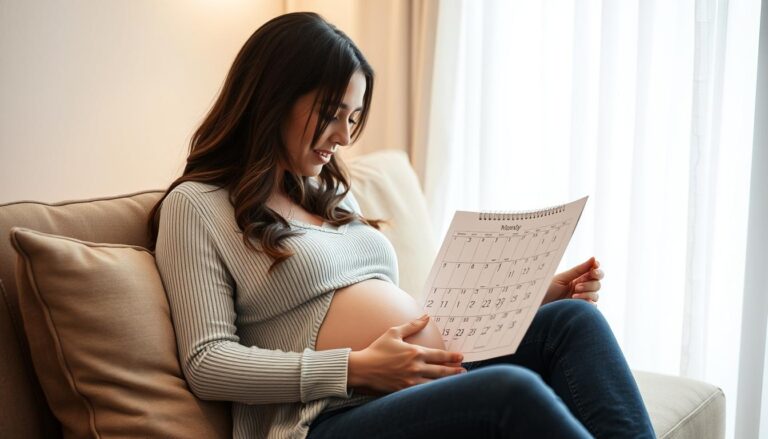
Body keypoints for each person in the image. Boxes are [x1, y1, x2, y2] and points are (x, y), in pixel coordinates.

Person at [149, 11, 655, 439]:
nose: (342, 137)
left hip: (419, 381)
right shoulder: (199, 206)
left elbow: (413, 320)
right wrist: (355, 367)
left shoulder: (328, 198)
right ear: (274, 97)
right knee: (509, 392)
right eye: (330, 114)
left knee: (572, 322)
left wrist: (532, 296)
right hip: (326, 418)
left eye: (353, 118)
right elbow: (208, 362)